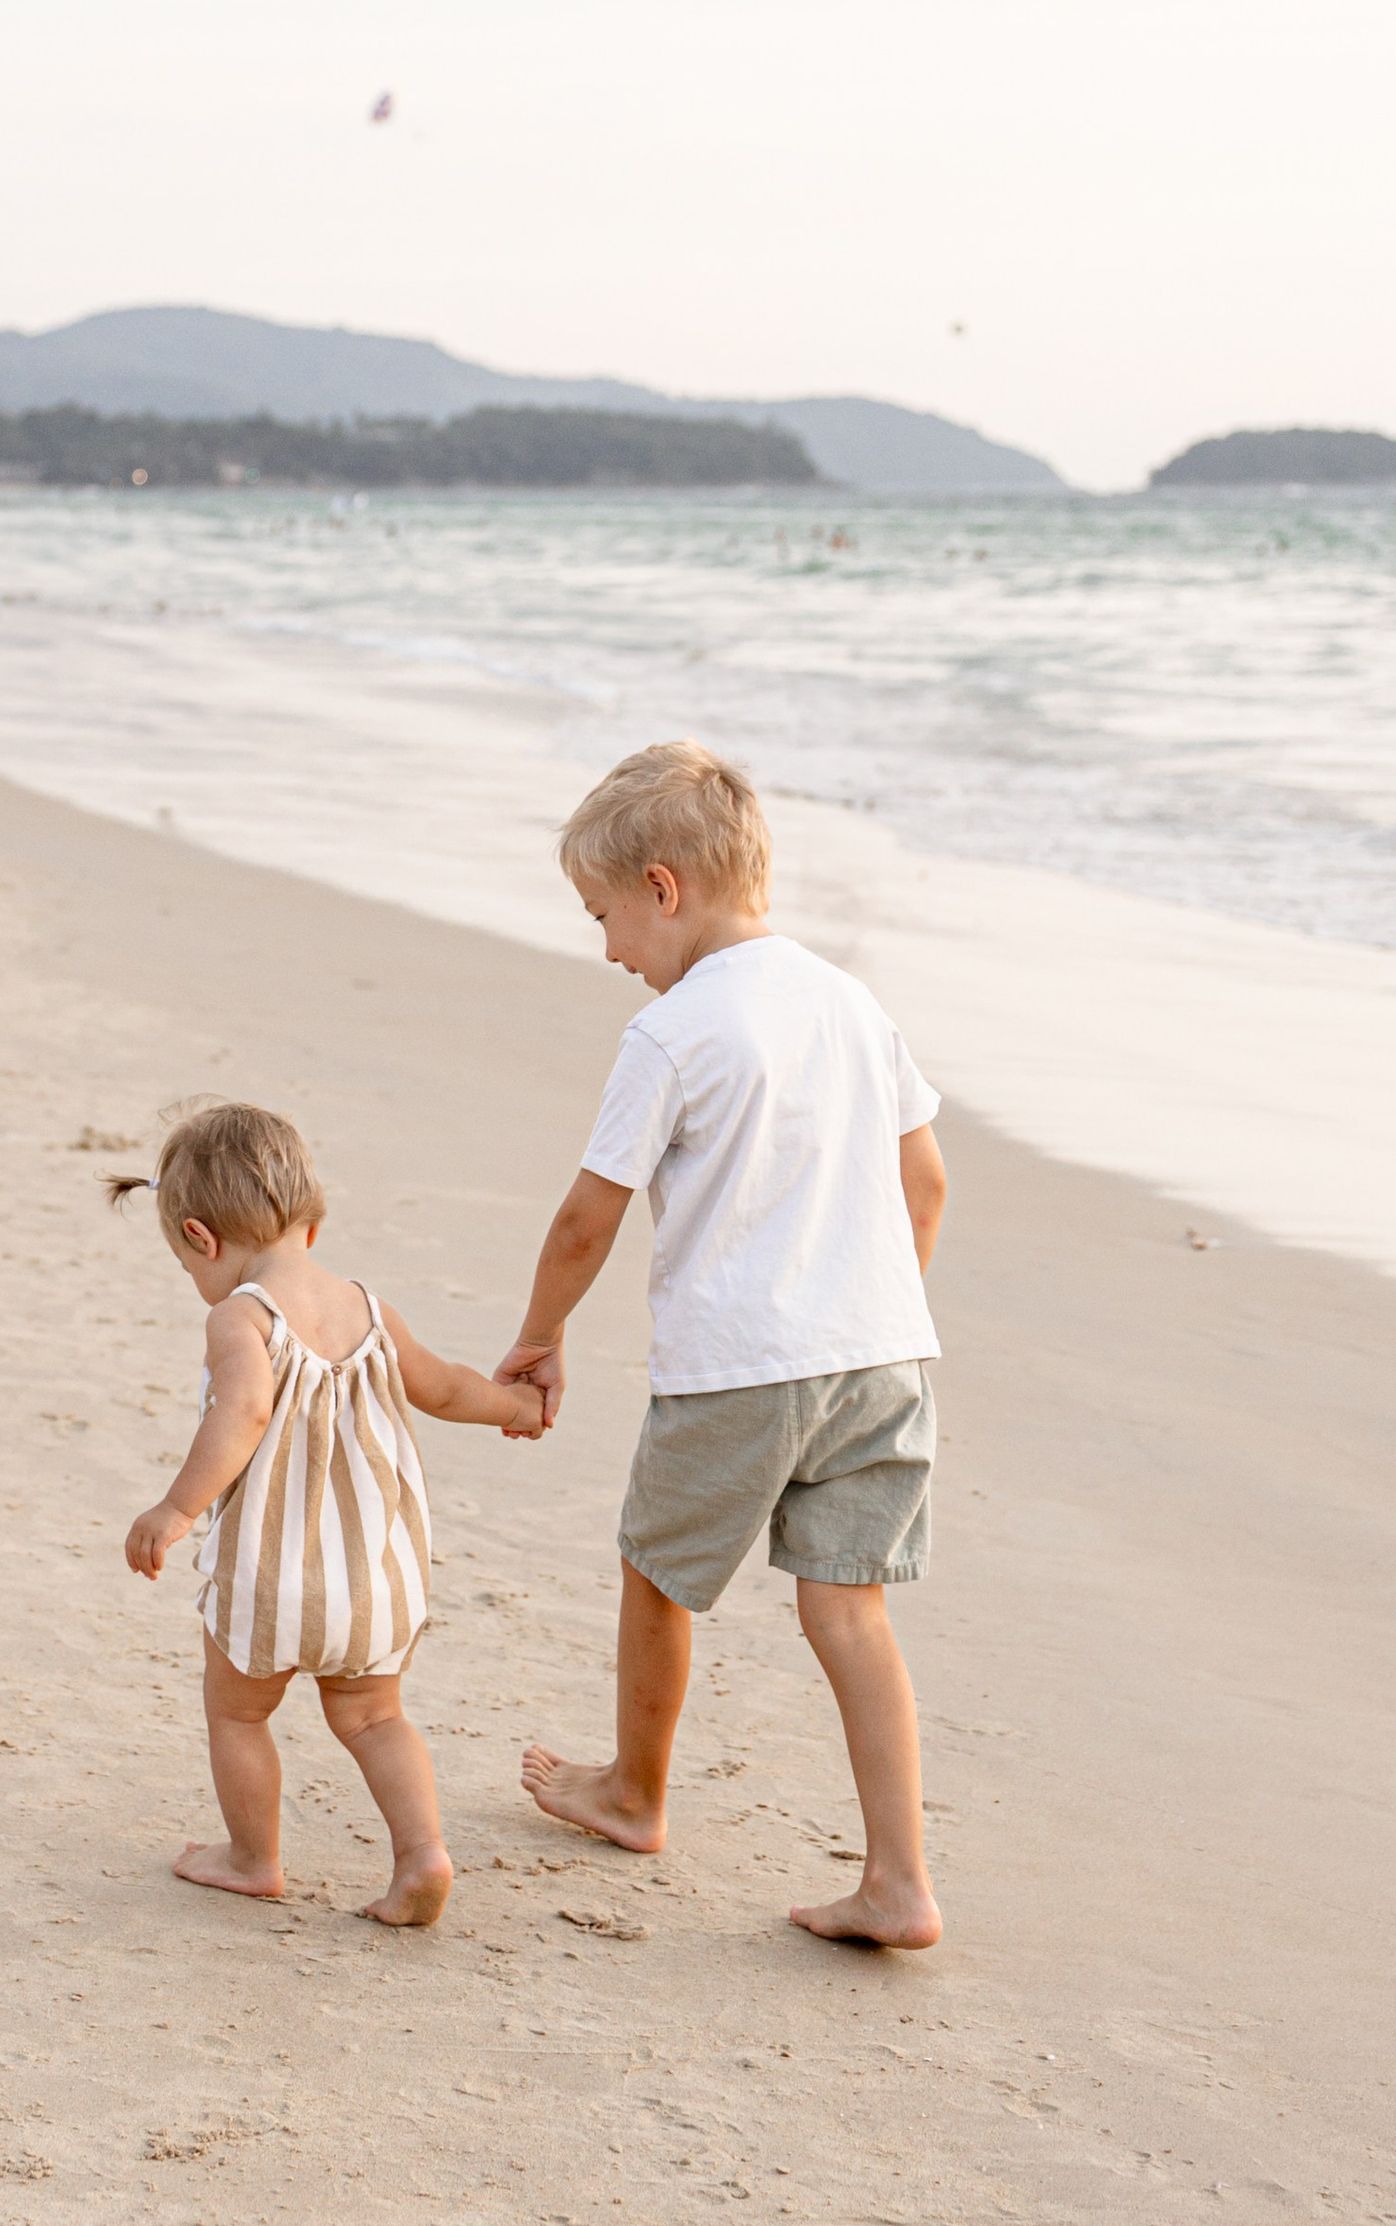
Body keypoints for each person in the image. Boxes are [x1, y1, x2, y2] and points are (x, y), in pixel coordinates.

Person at [495, 741, 948, 1949]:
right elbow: (926, 1184)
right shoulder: (851, 1003)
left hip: (739, 1365)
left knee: (656, 1571)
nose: (608, 951)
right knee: (849, 1614)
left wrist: (538, 1337)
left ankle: (633, 1794)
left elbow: (588, 1216)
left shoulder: (673, 1032)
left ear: (662, 888)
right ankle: (899, 1881)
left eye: (602, 918)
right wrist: (861, 1310)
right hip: (883, 1359)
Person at [117, 1102, 545, 1929]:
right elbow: (446, 1387)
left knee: (238, 1713)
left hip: (270, 1579)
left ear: (202, 1239)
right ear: (310, 1224)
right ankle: (422, 1854)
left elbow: (244, 1412)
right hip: (374, 1579)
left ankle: (252, 1859)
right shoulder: (368, 1309)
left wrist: (175, 1508)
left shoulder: (240, 1316)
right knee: (376, 1717)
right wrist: (516, 1408)